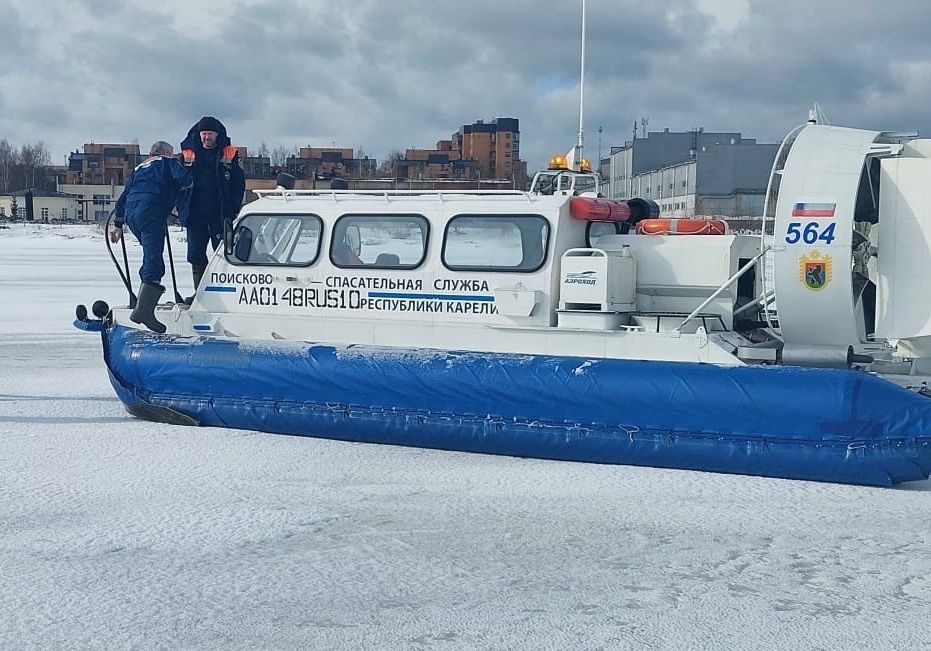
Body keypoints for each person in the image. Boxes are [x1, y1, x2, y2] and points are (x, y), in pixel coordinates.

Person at [109, 141, 192, 333]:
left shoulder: (138, 169)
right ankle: (144, 311)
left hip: (131, 214)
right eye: (172, 153)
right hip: (151, 210)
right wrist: (188, 167)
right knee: (153, 260)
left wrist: (118, 224)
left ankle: (142, 304)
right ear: (165, 153)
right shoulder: (167, 163)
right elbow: (185, 180)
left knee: (150, 255)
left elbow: (123, 198)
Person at [177, 116, 245, 298]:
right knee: (195, 255)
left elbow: (238, 184)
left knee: (223, 255)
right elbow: (178, 183)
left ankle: (224, 294)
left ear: (217, 135)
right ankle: (200, 295)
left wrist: (233, 209)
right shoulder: (187, 153)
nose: (206, 137)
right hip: (195, 215)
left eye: (210, 134)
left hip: (220, 215)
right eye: (204, 134)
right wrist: (181, 207)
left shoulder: (230, 153)